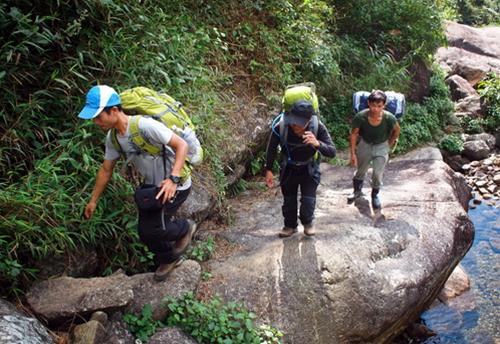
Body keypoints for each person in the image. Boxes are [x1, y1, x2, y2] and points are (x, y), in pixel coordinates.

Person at [78, 85, 197, 281]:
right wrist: (93, 200)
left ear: (114, 111)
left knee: (155, 228)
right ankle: (168, 258)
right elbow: (106, 170)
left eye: (98, 116)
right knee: (145, 232)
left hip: (176, 184)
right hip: (154, 187)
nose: (95, 121)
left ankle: (186, 227)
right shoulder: (114, 138)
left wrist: (173, 179)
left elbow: (181, 145)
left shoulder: (144, 125)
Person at [265, 100, 336, 237]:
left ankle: (308, 223)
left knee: (308, 202)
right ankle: (290, 226)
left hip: (309, 169)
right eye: (293, 121)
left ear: (308, 120)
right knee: (289, 200)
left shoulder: (317, 127)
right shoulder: (282, 126)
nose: (294, 125)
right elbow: (271, 148)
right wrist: (268, 170)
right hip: (289, 168)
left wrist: (317, 143)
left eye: (299, 122)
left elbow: (332, 152)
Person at [347, 90, 401, 209]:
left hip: (382, 146)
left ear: (384, 105)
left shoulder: (389, 118)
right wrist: (353, 154)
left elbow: (397, 130)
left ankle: (375, 195)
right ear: (368, 103)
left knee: (377, 172)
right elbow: (354, 134)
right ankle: (357, 191)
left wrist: (389, 144)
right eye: (373, 105)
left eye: (379, 106)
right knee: (361, 170)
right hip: (365, 144)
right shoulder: (361, 117)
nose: (375, 109)